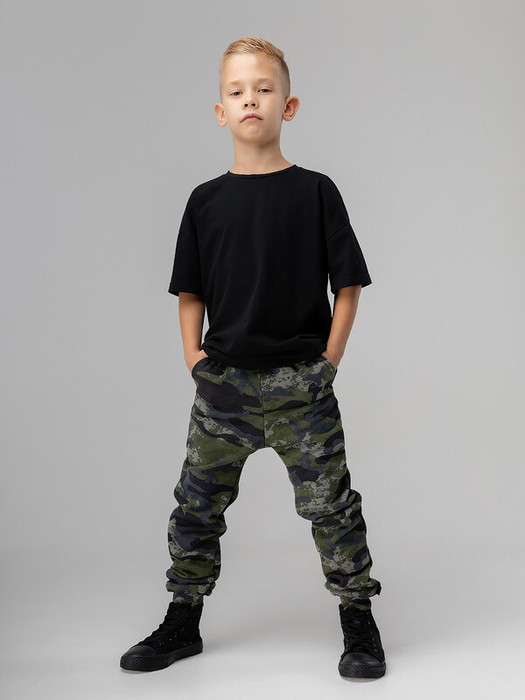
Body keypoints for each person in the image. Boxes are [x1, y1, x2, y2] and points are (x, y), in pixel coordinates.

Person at [120, 36, 386, 680]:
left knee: (333, 507)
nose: (250, 100)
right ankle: (182, 618)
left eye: (263, 89)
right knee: (196, 505)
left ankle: (358, 618)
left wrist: (328, 362)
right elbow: (191, 290)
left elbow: (348, 284)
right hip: (223, 389)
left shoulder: (316, 191)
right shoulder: (204, 200)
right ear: (220, 111)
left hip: (303, 388)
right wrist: (193, 358)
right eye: (236, 91)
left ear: (288, 105)